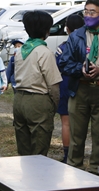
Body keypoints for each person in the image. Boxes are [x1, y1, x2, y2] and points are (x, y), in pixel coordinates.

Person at [59, 0, 99, 174]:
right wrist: (80, 69)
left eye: (92, 12)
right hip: (80, 88)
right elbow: (64, 62)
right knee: (77, 132)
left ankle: (96, 168)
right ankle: (74, 167)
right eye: (86, 12)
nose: (88, 15)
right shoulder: (76, 35)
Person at [12, 11, 62, 156]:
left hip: (19, 99)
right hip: (38, 101)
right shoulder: (44, 52)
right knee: (39, 148)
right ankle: (38, 177)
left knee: (24, 147)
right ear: (46, 30)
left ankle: (25, 176)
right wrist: (54, 105)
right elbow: (53, 86)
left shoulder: (20, 50)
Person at [55, 14, 85, 163]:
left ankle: (67, 155)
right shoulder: (86, 46)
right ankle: (79, 153)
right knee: (81, 123)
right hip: (82, 85)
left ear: (67, 29)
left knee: (66, 122)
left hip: (65, 85)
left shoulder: (62, 48)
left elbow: (56, 67)